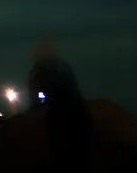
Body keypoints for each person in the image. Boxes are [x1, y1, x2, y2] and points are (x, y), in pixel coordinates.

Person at [27, 39, 90, 172]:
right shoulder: (60, 66)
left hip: (62, 111)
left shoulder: (44, 68)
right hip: (74, 110)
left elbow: (38, 91)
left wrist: (38, 105)